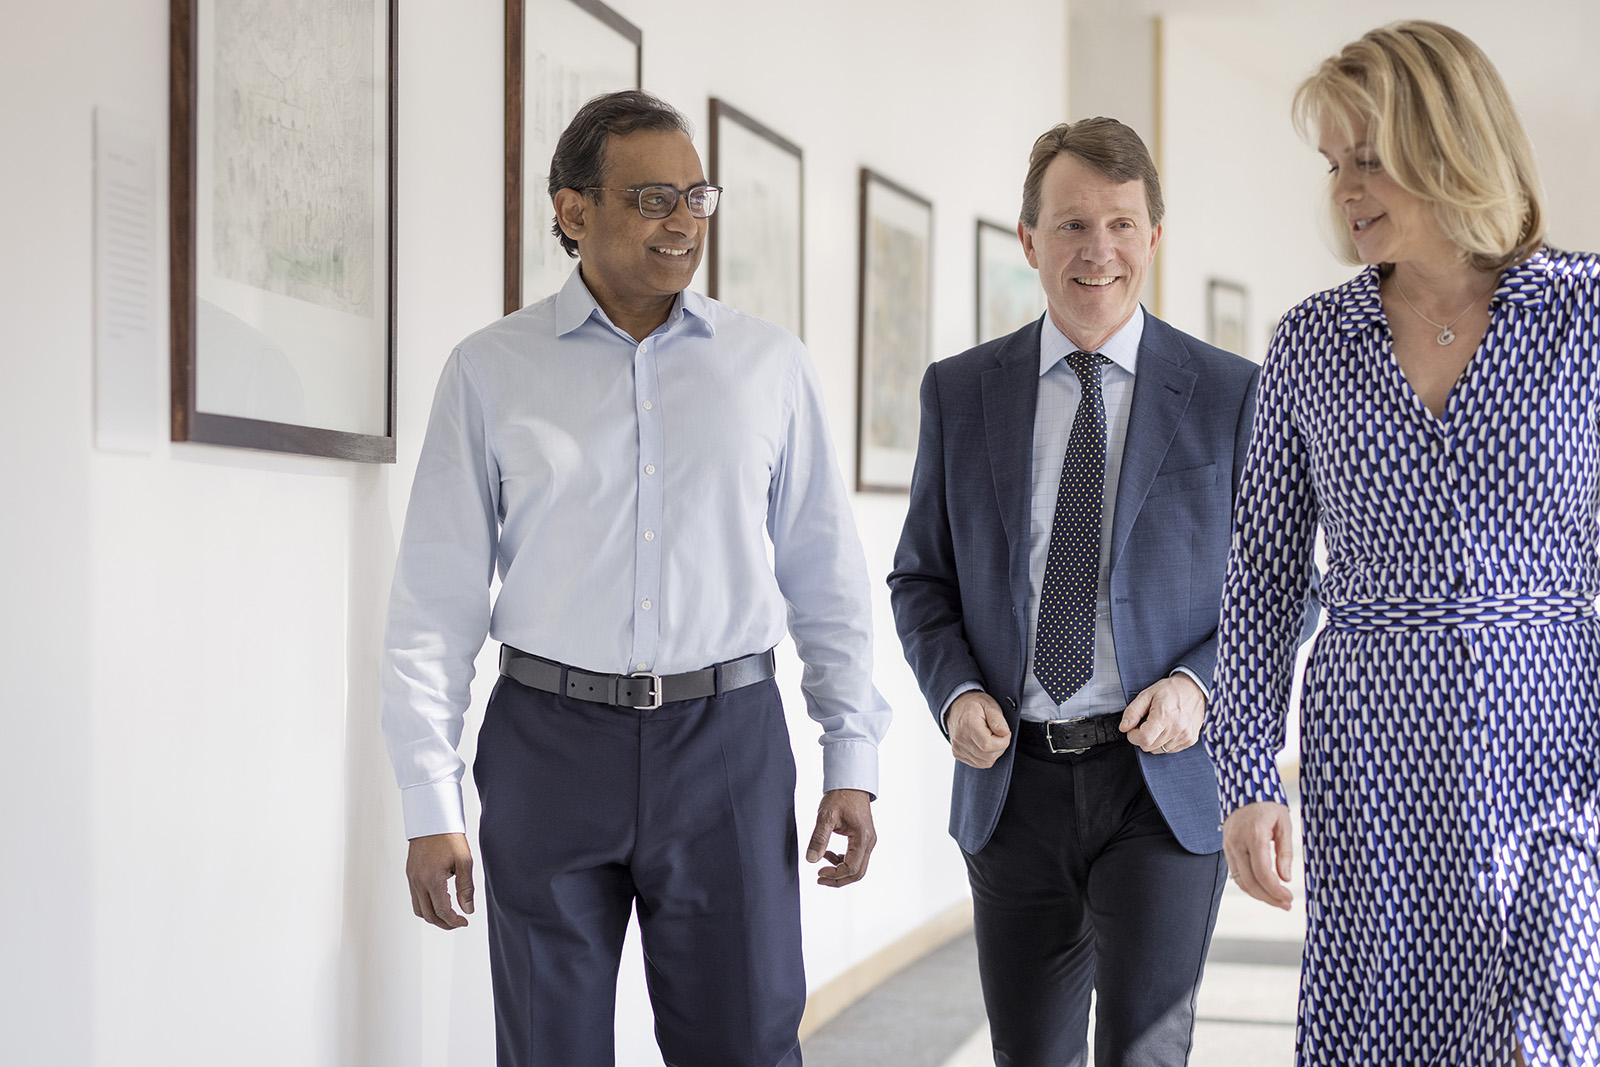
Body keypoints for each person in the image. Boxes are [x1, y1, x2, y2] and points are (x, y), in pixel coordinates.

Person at [380, 89, 891, 1067]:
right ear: (573, 211)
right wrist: (429, 797)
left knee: (744, 1043)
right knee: (550, 1049)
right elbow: (433, 604)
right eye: (653, 196)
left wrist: (851, 758)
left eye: (697, 195)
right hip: (547, 747)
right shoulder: (490, 370)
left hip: (728, 746)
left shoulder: (767, 368)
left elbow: (827, 578)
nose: (683, 221)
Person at [1207, 20, 1599, 1067]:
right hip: (1371, 753)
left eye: (1369, 156)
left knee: (1547, 1032)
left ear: (1453, 143)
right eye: (1334, 161)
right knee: (1385, 1034)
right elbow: (1261, 579)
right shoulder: (1311, 342)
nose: (1345, 185)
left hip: (1555, 753)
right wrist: (1245, 772)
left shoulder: (1586, 315)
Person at [888, 117, 1260, 1066]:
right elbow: (920, 577)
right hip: (1014, 786)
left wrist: (1200, 683)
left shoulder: (1232, 394)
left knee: (1143, 1048)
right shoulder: (961, 391)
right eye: (1072, 225)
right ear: (1028, 240)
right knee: (1031, 1055)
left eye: (1123, 225)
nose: (1100, 251)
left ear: (1154, 239)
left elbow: (1279, 587)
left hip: (1162, 783)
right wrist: (957, 691)